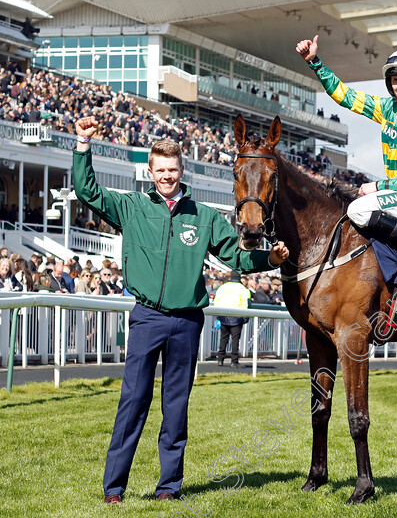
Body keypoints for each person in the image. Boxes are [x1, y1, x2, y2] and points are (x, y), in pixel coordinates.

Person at [72, 116, 289, 504]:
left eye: (173, 170)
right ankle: (114, 489)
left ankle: (169, 487)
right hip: (147, 318)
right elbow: (87, 191)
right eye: (161, 170)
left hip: (187, 322)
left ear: (181, 171)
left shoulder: (202, 216)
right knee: (133, 402)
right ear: (151, 172)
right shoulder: (131, 207)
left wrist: (268, 259)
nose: (167, 176)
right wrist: (83, 146)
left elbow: (237, 257)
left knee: (175, 407)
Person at [296, 35, 397, 285]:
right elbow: (345, 96)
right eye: (395, 81)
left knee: (358, 209)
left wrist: (379, 186)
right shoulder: (387, 108)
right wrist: (315, 61)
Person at [211, 270, 251, 368]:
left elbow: (217, 300)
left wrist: (218, 315)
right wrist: (245, 317)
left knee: (223, 338)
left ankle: (220, 359)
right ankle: (234, 361)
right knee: (235, 340)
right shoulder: (243, 289)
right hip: (237, 316)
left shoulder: (222, 287)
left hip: (223, 315)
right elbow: (247, 304)